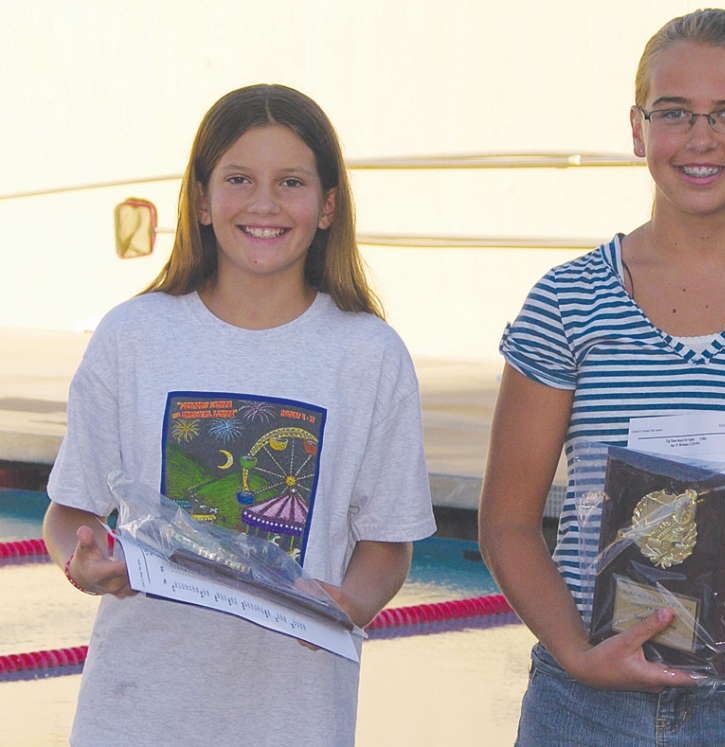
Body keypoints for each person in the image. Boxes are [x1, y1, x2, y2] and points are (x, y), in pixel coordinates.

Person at [479, 9, 725, 746]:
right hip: (587, 707)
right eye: (675, 113)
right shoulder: (567, 302)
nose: (701, 139)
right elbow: (506, 522)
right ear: (637, 130)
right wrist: (579, 653)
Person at [43, 84, 437, 746]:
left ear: (328, 205)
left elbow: (387, 541)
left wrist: (352, 604)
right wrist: (81, 563)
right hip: (133, 714)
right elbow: (69, 513)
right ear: (200, 199)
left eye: (290, 181)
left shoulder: (368, 355)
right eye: (238, 178)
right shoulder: (134, 336)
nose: (263, 202)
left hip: (294, 719)